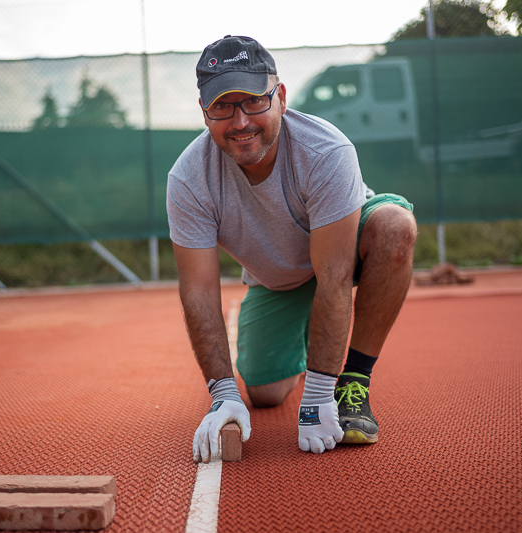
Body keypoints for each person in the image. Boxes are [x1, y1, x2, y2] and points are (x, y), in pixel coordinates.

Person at [166, 36, 417, 463]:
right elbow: (200, 292)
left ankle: (354, 380)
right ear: (205, 113)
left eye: (253, 101)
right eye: (222, 107)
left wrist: (320, 391)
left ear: (279, 97)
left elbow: (336, 278)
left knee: (395, 229)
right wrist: (222, 392)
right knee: (263, 392)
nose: (240, 121)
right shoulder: (189, 179)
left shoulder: (326, 151)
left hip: (340, 251)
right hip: (278, 279)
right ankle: (308, 335)